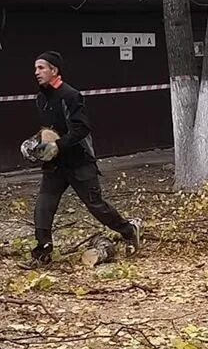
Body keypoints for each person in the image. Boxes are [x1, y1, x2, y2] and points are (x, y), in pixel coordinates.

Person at [29, 52, 140, 264]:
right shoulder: (41, 98)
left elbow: (81, 129)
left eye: (41, 68)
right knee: (43, 206)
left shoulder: (70, 95)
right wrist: (35, 145)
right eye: (35, 68)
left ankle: (129, 230)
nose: (37, 72)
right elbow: (48, 130)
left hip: (79, 162)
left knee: (96, 205)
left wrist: (57, 145)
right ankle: (42, 251)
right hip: (54, 165)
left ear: (54, 70)